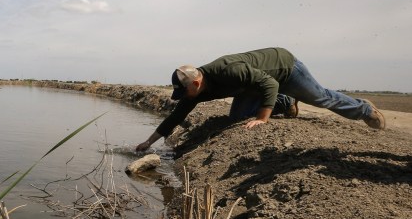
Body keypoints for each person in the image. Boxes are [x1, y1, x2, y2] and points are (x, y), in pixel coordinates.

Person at [135, 47, 386, 151]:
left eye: (185, 91)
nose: (184, 96)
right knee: (237, 118)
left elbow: (270, 83)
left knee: (320, 98)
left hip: (284, 69)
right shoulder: (196, 90)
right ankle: (285, 103)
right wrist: (149, 141)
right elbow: (177, 115)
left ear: (196, 83)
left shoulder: (227, 70)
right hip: (255, 85)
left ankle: (363, 109)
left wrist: (263, 119)